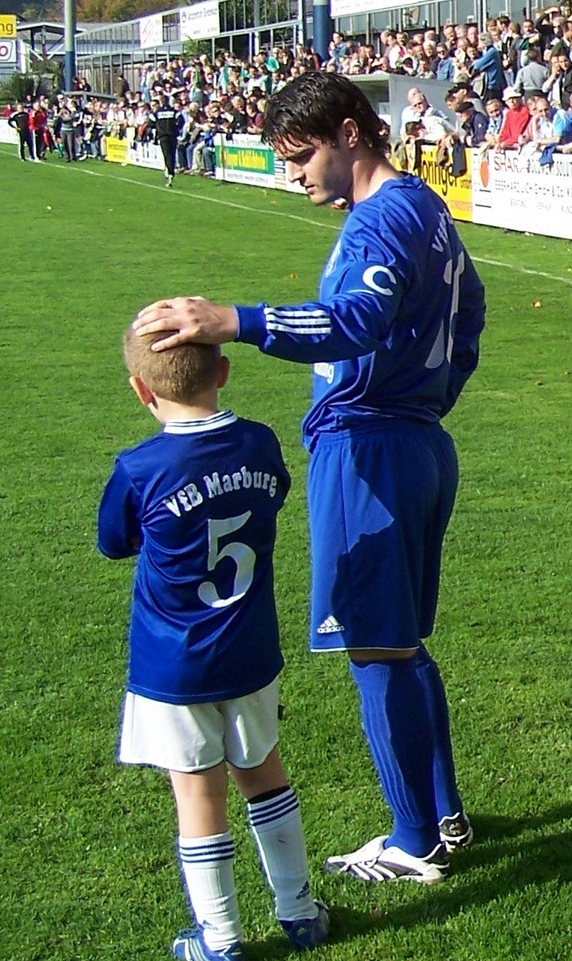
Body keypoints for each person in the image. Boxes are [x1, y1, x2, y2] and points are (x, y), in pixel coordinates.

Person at [132, 72, 485, 885]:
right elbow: (471, 311)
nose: (293, 174)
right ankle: (442, 815)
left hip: (369, 452)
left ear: (351, 133)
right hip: (414, 442)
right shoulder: (424, 207)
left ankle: (412, 840)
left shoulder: (380, 220)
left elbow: (356, 320)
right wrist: (428, 396)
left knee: (373, 646)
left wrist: (236, 322)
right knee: (398, 643)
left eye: (302, 156)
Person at [97, 335, 328, 961]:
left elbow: (115, 542)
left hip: (174, 664)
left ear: (142, 390)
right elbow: (273, 494)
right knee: (264, 771)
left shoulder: (140, 467)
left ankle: (220, 937)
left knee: (198, 792)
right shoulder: (258, 441)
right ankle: (300, 911)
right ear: (222, 371)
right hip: (250, 649)